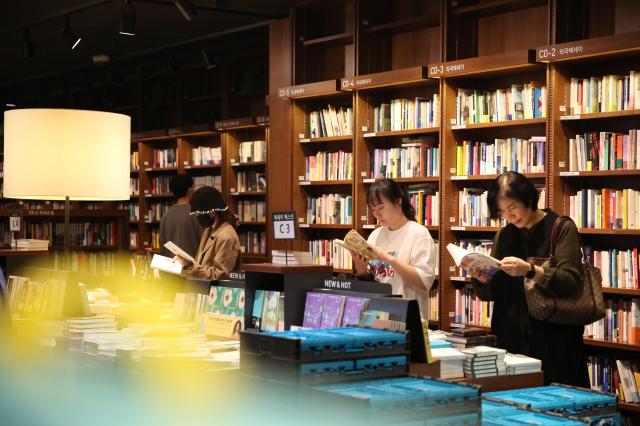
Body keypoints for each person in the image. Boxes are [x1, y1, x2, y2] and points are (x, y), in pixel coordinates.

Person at [469, 171, 587, 386]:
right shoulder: (504, 235)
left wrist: (531, 270)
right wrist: (482, 279)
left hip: (554, 340)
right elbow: (493, 294)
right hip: (510, 337)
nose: (509, 216)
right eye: (502, 211)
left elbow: (570, 281)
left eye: (512, 207)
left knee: (556, 406)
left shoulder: (560, 228)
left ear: (529, 198)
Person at [351, 178, 437, 320]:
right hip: (376, 316)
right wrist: (361, 270)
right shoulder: (375, 235)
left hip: (408, 317)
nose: (377, 215)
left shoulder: (419, 234)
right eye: (373, 209)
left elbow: (424, 281)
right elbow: (370, 284)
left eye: (381, 208)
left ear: (398, 201)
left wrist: (388, 258)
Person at [173, 186, 241, 281]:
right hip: (203, 291)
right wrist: (188, 264)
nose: (197, 216)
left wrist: (190, 266)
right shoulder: (208, 230)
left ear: (212, 210)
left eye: (199, 212)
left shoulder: (226, 236)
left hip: (217, 293)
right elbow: (202, 264)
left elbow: (220, 274)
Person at [159, 174, 203, 259]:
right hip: (191, 269)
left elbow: (162, 247)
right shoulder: (196, 214)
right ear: (190, 190)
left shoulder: (166, 215)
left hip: (170, 268)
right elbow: (204, 244)